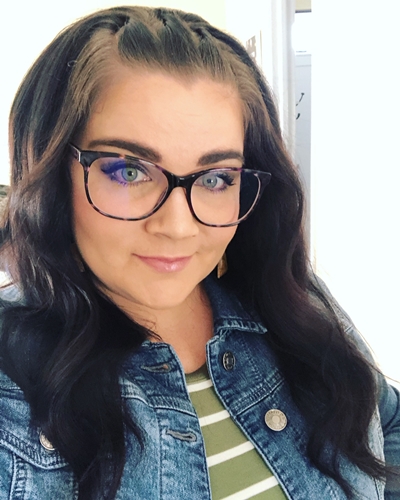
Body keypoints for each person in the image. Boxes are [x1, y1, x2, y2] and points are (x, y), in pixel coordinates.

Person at [0, 5, 398, 500]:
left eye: (216, 178)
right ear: (52, 173)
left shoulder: (294, 306)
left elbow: (386, 421)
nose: (178, 227)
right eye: (128, 170)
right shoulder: (13, 382)